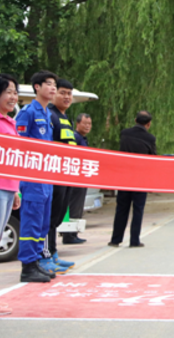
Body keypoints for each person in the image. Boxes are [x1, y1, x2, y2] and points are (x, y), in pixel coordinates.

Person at [15, 70, 59, 282]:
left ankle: (37, 261)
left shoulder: (47, 114)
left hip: (45, 176)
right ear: (37, 87)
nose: (52, 88)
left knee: (42, 223)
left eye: (54, 85)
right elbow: (17, 146)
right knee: (31, 222)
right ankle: (27, 266)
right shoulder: (28, 112)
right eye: (48, 84)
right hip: (32, 178)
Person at [40, 79, 78, 271]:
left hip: (66, 173)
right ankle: (45, 257)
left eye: (69, 94)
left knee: (58, 216)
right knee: (50, 217)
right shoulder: (50, 115)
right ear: (53, 94)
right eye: (62, 93)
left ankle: (53, 253)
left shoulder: (65, 118)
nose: (66, 97)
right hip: (54, 174)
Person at [108, 111, 156, 248]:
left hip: (124, 177)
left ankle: (115, 240)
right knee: (138, 209)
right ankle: (134, 240)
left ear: (135, 120)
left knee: (121, 208)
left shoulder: (124, 133)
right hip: (141, 179)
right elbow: (153, 159)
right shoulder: (150, 138)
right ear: (149, 124)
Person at [0, 74, 21, 314]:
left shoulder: (10, 122)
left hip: (8, 187)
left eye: (15, 92)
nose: (13, 96)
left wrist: (15, 189)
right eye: (8, 91)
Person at [62, 113, 92, 244]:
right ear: (78, 124)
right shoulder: (75, 137)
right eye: (85, 123)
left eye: (89, 124)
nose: (87, 126)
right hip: (75, 178)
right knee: (74, 206)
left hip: (81, 177)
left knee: (78, 206)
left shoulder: (83, 138)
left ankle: (73, 234)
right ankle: (69, 235)